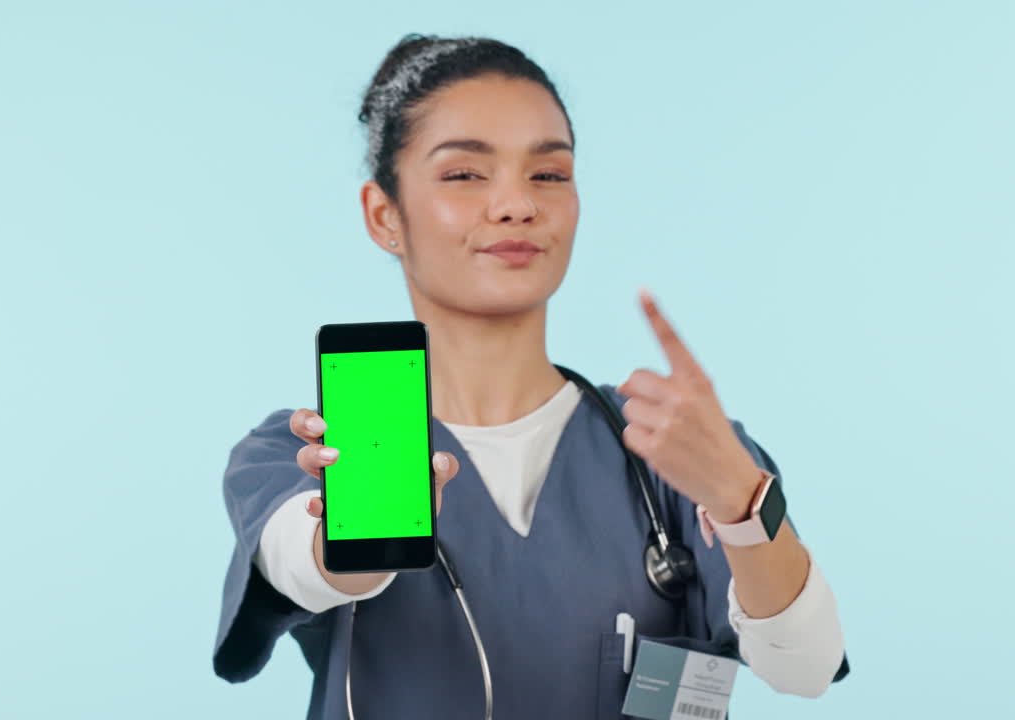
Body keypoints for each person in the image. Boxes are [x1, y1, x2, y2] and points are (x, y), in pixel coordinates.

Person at [213, 33, 849, 719]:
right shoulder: (303, 454)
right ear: (384, 215)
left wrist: (744, 503)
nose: (517, 204)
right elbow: (303, 565)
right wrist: (359, 535)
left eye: (548, 174)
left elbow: (805, 666)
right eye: (464, 174)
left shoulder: (675, 449)